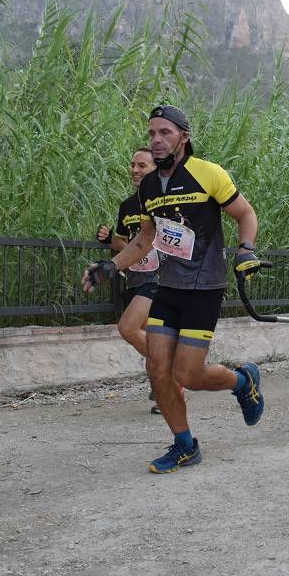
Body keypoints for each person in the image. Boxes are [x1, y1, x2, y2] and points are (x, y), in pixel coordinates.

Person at [82, 104, 265, 474]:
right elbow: (146, 236)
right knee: (157, 368)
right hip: (168, 285)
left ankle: (243, 381)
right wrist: (110, 266)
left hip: (204, 287)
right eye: (152, 133)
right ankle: (185, 445)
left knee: (188, 375)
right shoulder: (149, 187)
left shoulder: (207, 174)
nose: (157, 140)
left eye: (165, 132)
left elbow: (245, 213)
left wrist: (246, 249)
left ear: (184, 136)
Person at [95, 147, 178, 415]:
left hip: (160, 279)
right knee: (149, 338)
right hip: (134, 279)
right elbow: (125, 244)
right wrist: (110, 240)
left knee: (128, 328)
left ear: (156, 169)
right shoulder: (128, 206)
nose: (135, 169)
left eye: (142, 165)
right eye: (133, 165)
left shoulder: (167, 203)